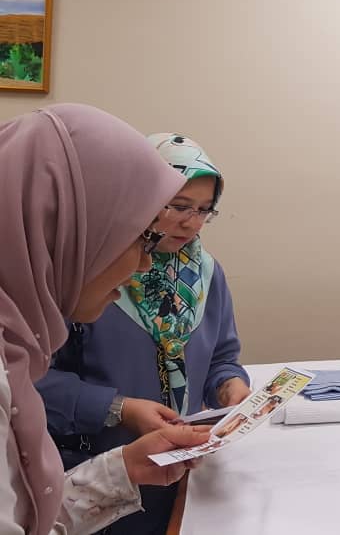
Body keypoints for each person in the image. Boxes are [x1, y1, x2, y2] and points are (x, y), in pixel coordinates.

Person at [0, 104, 213, 535]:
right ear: (66, 231)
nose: (143, 264)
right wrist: (118, 411)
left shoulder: (16, 348)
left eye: (204, 209)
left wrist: (126, 468)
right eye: (141, 238)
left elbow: (27, 517)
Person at [37, 132, 251, 535]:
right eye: (179, 206)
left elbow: (222, 357)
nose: (191, 221)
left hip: (181, 472)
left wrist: (231, 389)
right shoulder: (88, 273)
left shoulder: (207, 274)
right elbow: (31, 381)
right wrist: (120, 408)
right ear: (141, 198)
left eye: (204, 210)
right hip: (91, 479)